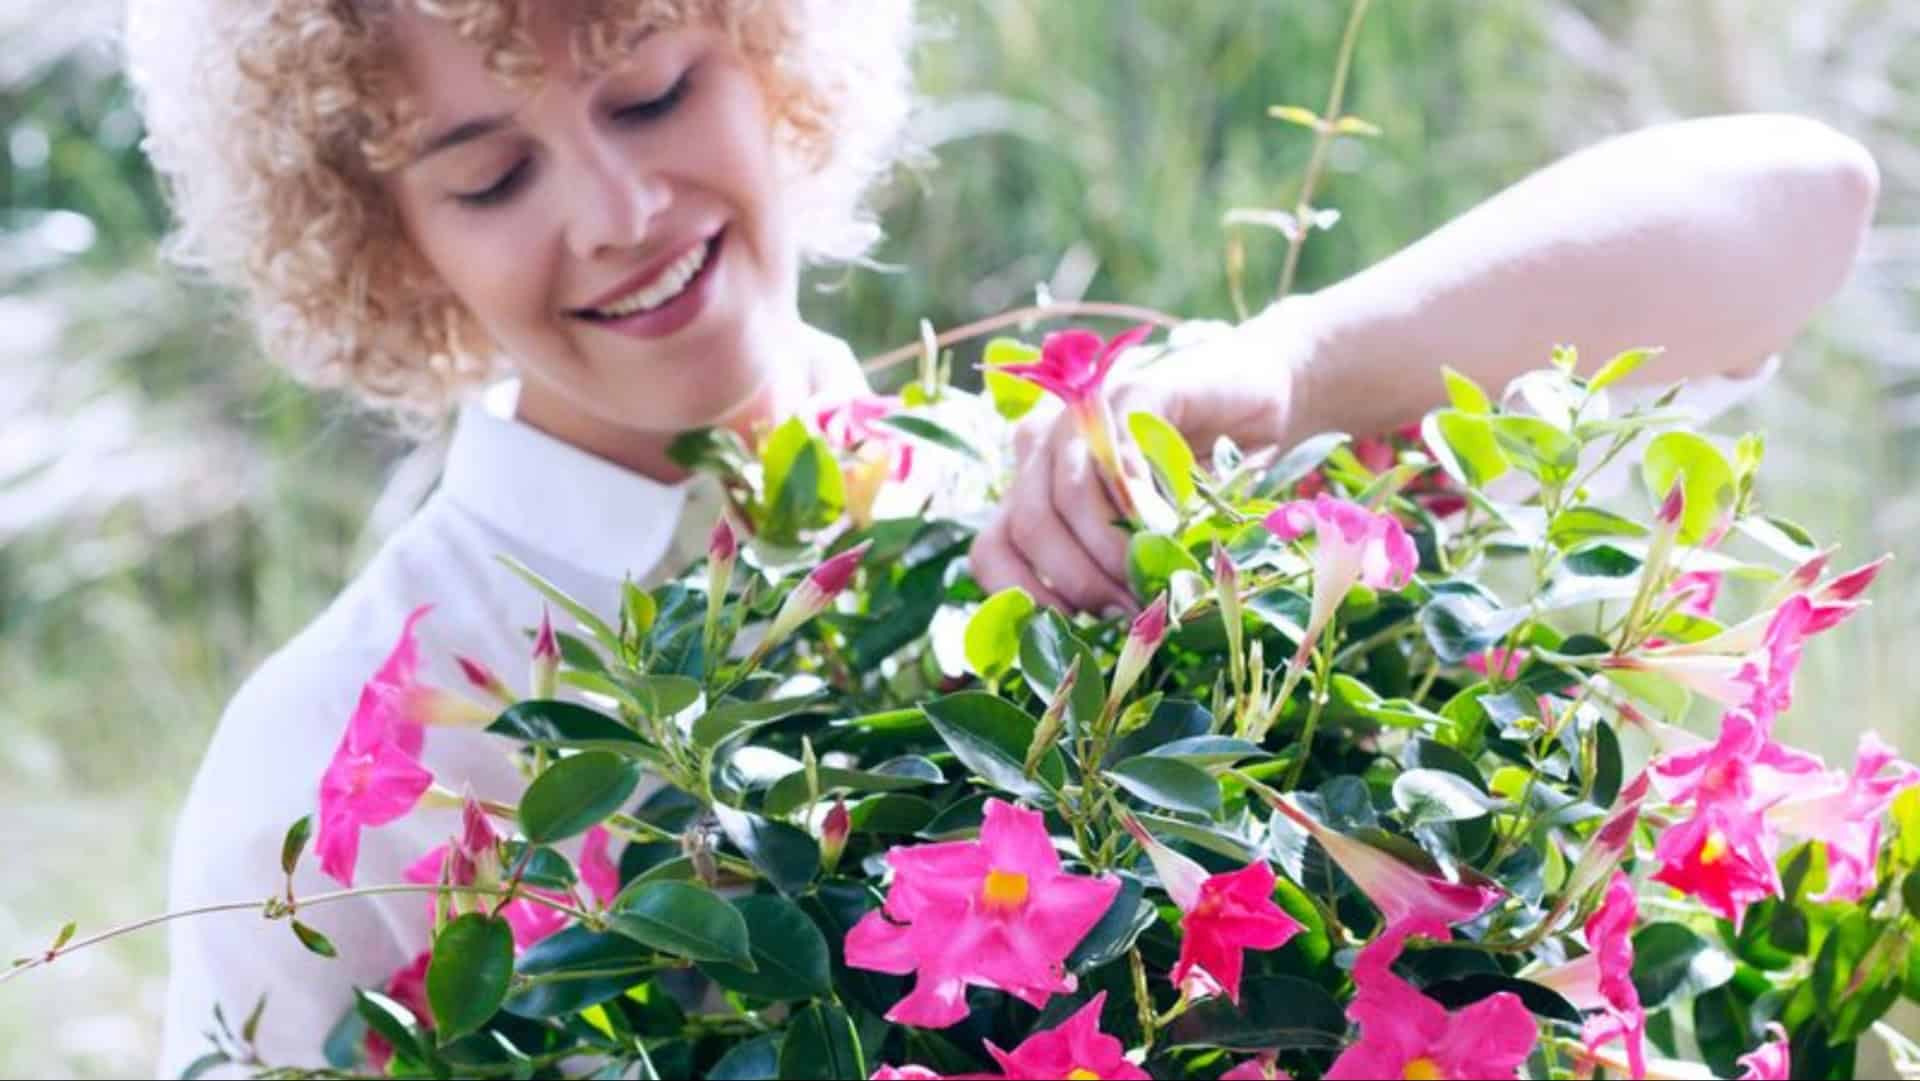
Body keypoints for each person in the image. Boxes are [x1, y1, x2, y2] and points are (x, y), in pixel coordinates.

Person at [124, 0, 1879, 1073]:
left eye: (654, 88)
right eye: (488, 175)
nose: (621, 211)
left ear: (768, 50)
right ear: (377, 234)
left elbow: (1803, 198)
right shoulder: (323, 736)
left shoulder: (1062, 462)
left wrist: (1288, 361)